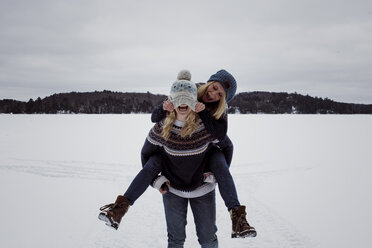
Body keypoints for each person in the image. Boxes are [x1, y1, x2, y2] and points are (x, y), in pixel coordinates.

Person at [99, 71, 221, 247]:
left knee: (208, 239)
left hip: (202, 189)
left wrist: (215, 174)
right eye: (179, 99)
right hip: (173, 191)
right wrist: (157, 181)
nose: (183, 102)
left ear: (194, 102)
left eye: (187, 99)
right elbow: (147, 157)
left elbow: (225, 147)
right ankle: (119, 208)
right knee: (175, 240)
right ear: (172, 102)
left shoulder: (205, 125)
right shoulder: (162, 127)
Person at [151, 69, 256, 238]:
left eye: (220, 94)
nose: (213, 94)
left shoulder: (219, 110)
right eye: (214, 87)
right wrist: (164, 108)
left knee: (221, 158)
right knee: (175, 237)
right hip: (178, 160)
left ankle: (237, 216)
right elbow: (155, 117)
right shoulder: (190, 89)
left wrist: (203, 112)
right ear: (210, 82)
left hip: (204, 156)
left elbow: (221, 136)